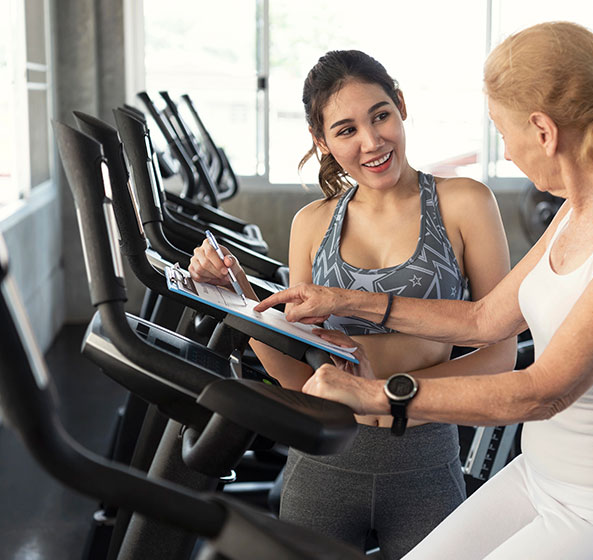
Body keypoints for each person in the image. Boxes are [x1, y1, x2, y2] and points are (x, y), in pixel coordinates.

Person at [258, 22, 593, 560]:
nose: (508, 153)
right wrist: (345, 299)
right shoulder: (575, 211)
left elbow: (544, 391)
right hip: (540, 477)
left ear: (542, 130)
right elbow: (483, 320)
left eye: (502, 131)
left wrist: (380, 395)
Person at [189, 49, 516, 559]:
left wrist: (382, 393)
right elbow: (297, 376)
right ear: (322, 142)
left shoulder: (464, 203)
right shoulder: (311, 224)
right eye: (345, 130)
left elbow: (499, 356)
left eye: (380, 115)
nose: (372, 141)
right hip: (325, 460)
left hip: (425, 461)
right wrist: (238, 297)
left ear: (401, 106)